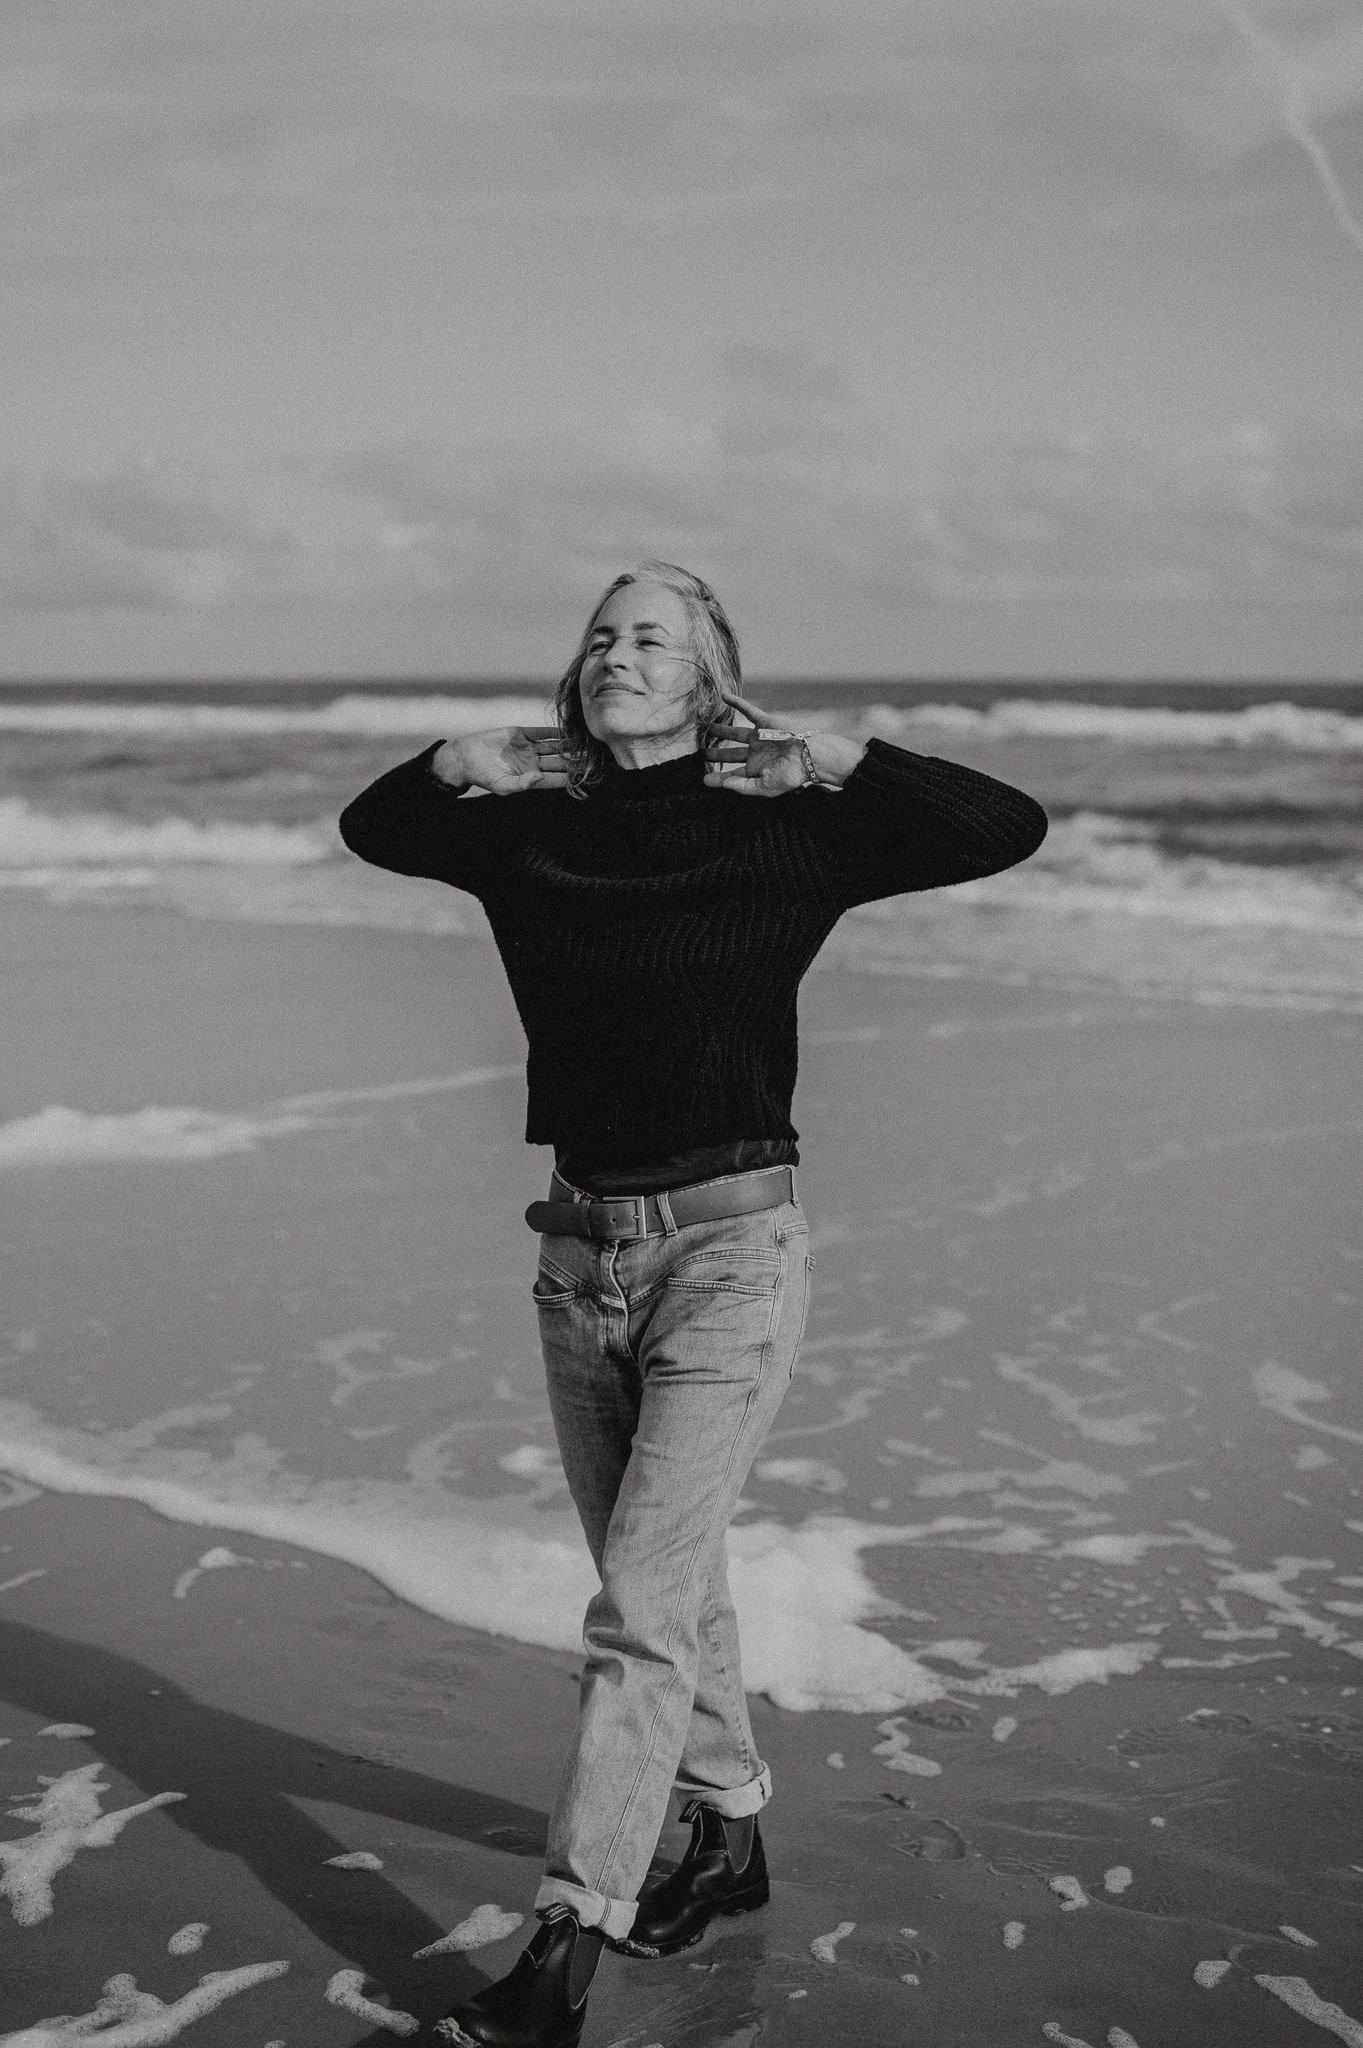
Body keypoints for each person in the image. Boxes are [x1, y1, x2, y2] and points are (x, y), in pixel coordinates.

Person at [338, 561, 1048, 2048]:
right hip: (577, 1251)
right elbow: (378, 828)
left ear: (711, 671)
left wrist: (842, 755)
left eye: (653, 635)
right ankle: (726, 1829)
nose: (617, 651)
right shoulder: (531, 832)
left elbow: (1005, 825)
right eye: (601, 633)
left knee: (638, 1612)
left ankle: (566, 1945)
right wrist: (453, 761)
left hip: (734, 1255)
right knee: (667, 1587)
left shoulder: (789, 834)